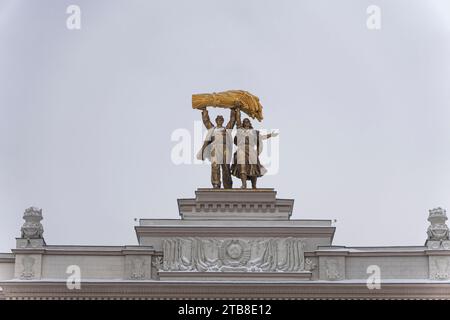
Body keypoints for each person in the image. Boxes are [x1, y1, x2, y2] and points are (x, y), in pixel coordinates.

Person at [231, 109, 278, 189]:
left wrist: (270, 135)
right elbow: (238, 119)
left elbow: (261, 137)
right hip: (241, 149)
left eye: (247, 121)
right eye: (245, 121)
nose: (246, 122)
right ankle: (244, 184)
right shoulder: (240, 130)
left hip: (251, 149)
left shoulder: (254, 132)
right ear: (243, 123)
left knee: (254, 167)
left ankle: (254, 185)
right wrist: (238, 109)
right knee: (242, 166)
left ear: (249, 123)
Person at [197, 107, 236, 189]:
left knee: (226, 167)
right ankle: (216, 183)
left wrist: (233, 110)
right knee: (215, 166)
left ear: (223, 121)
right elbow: (206, 121)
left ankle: (227, 185)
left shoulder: (226, 129)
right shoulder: (212, 129)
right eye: (218, 119)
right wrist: (204, 111)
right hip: (214, 149)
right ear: (216, 121)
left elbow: (232, 121)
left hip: (224, 149)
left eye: (221, 119)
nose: (220, 121)